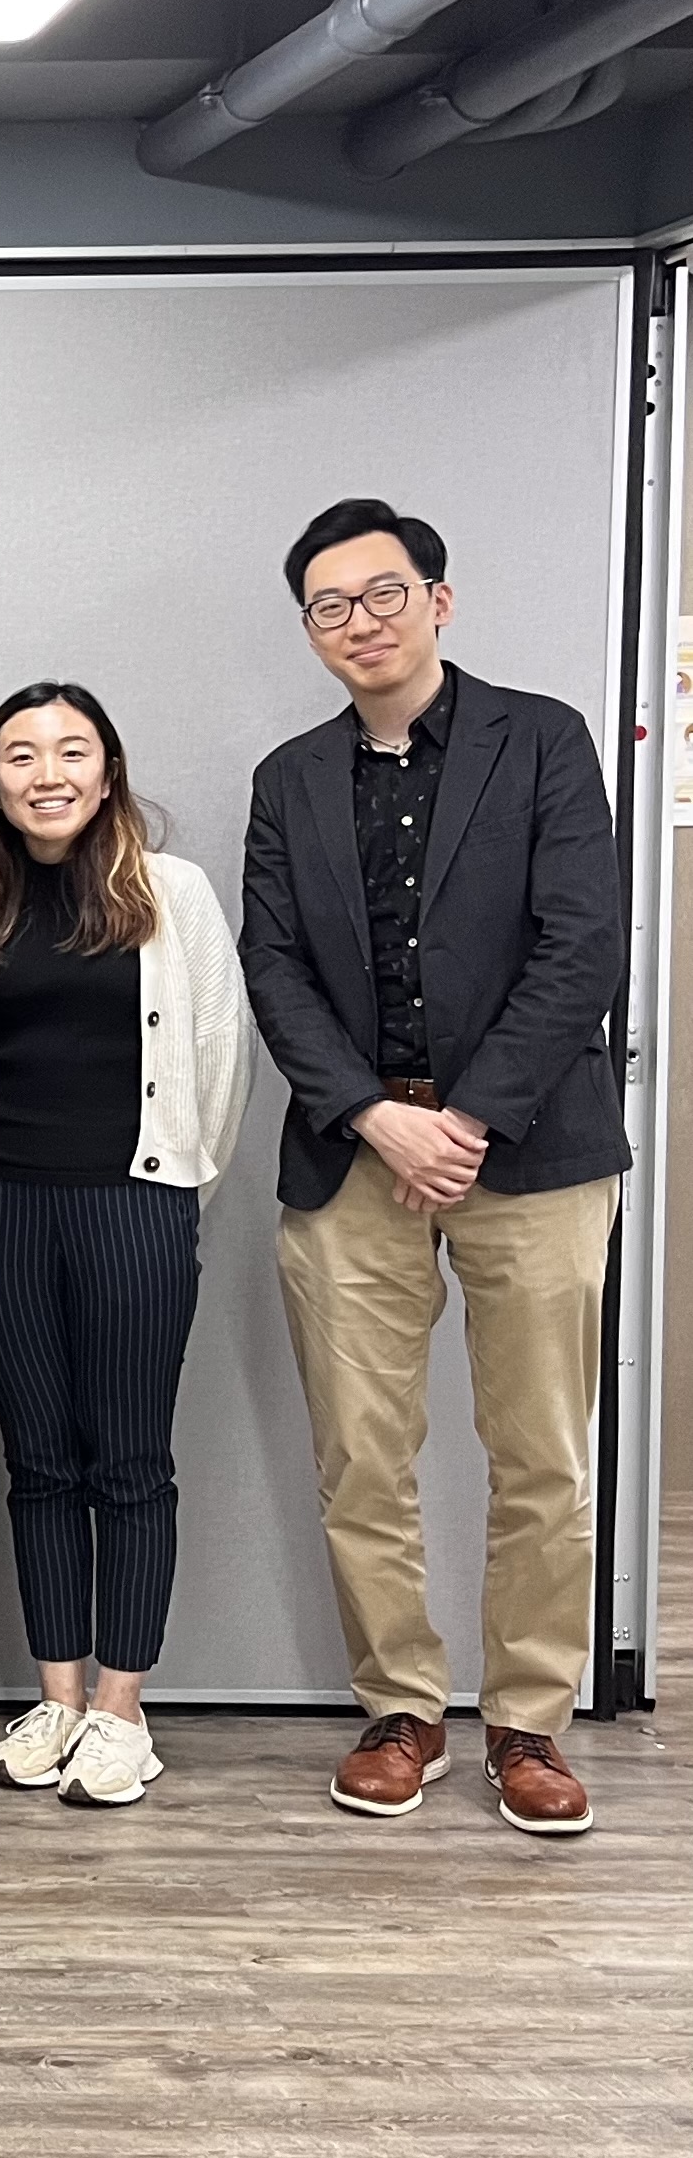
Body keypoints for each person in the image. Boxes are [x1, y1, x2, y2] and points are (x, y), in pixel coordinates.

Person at [241, 499, 627, 1836]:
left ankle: (528, 1723)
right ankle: (400, 1708)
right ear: (310, 630)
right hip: (352, 1157)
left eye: (382, 593)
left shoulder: (545, 739)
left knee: (541, 1454)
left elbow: (582, 943)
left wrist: (464, 1119)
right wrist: (373, 1112)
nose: (359, 621)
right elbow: (272, 966)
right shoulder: (290, 777)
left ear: (438, 600)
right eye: (329, 606)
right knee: (361, 1455)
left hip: (533, 1149)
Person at [0, 683, 249, 1810]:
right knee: (37, 1462)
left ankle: (123, 1713)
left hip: (134, 1205)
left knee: (129, 1462)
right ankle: (59, 1700)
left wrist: (174, 1189)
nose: (48, 774)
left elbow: (220, 1052)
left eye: (71, 751)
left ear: (108, 770)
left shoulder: (173, 893)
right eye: (21, 755)